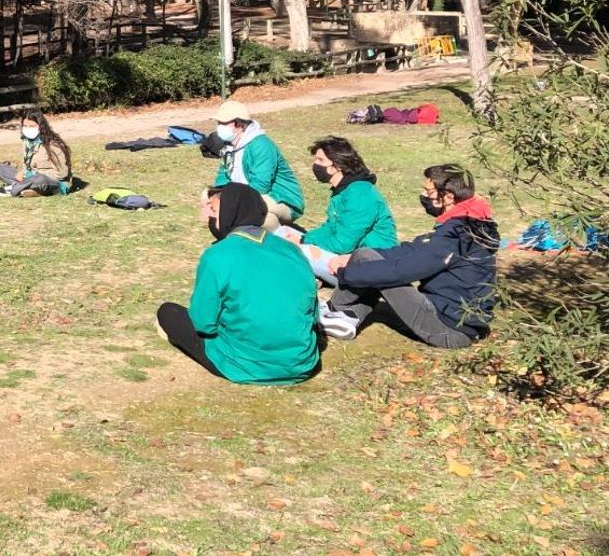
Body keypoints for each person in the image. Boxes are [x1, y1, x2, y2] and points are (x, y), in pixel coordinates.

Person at [316, 165, 499, 348]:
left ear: (449, 197)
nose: (424, 195)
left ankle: (334, 309)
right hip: (451, 318)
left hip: (448, 329)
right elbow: (412, 250)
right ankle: (347, 316)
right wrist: (351, 259)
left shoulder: (455, 235)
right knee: (367, 256)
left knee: (377, 268)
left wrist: (345, 273)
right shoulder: (466, 225)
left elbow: (402, 271)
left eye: (428, 191)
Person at [155, 183, 321, 385]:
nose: (211, 217)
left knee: (168, 312)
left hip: (244, 364)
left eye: (214, 211)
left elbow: (204, 324)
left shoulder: (217, 255)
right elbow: (313, 314)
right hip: (301, 362)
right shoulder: (291, 250)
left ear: (229, 213)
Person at [278, 136, 399, 283]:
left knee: (295, 250)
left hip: (370, 265)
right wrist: (302, 238)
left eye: (320, 160)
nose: (315, 165)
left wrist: (304, 240)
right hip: (348, 256)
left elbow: (343, 243)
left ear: (337, 165)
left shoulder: (360, 194)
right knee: (282, 233)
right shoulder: (342, 190)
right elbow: (330, 228)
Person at [211, 99, 305, 229]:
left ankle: (276, 239)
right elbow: (223, 176)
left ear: (240, 124)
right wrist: (216, 194)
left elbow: (261, 185)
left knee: (252, 212)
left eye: (224, 123)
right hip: (245, 194)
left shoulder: (261, 145)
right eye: (218, 122)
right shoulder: (229, 146)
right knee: (210, 199)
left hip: (279, 198)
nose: (219, 126)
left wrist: (231, 201)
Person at [0, 109, 73, 197]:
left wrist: (34, 174)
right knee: (0, 168)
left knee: (39, 180)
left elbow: (62, 174)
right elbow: (26, 167)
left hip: (52, 181)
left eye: (32, 126)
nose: (28, 129)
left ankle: (14, 189)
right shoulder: (27, 142)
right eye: (25, 126)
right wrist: (23, 173)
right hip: (29, 178)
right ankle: (28, 188)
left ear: (40, 126)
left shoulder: (53, 144)